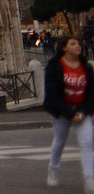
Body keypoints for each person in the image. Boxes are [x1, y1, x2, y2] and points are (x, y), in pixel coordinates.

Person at [43, 34, 94, 190]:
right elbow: (52, 94)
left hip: (81, 109)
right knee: (60, 141)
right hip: (61, 110)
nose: (78, 46)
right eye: (73, 44)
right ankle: (53, 169)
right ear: (64, 47)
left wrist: (82, 112)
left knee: (87, 143)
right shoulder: (54, 66)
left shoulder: (85, 66)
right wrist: (70, 114)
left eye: (78, 44)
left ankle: (89, 178)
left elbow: (92, 92)